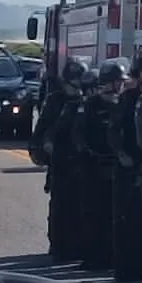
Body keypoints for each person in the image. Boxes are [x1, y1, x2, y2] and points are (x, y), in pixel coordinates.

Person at [109, 50, 142, 281]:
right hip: (129, 164)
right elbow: (114, 131)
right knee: (127, 218)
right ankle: (127, 268)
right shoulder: (126, 99)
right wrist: (121, 153)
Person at [73, 59, 127, 270]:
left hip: (117, 166)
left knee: (118, 214)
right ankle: (93, 256)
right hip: (93, 168)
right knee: (93, 214)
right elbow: (78, 135)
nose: (121, 85)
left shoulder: (125, 104)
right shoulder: (89, 106)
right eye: (118, 82)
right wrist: (87, 153)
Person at [44, 57, 90, 263]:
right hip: (61, 160)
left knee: (81, 204)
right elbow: (43, 130)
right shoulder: (55, 101)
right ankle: (58, 246)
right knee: (60, 205)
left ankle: (80, 246)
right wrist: (46, 145)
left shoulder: (87, 101)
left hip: (81, 161)